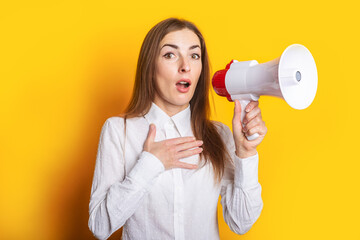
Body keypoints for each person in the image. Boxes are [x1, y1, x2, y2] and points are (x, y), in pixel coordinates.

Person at [88, 18, 267, 240]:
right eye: (170, 55)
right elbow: (99, 226)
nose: (186, 66)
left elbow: (241, 222)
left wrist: (246, 153)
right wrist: (150, 164)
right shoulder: (119, 131)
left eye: (194, 55)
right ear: (149, 67)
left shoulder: (219, 135)